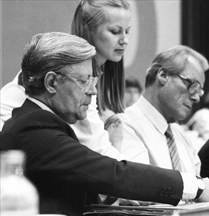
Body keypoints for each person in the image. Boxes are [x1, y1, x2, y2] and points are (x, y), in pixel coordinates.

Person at [0, 32, 209, 216]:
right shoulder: (34, 129)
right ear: (51, 82)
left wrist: (112, 197)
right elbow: (114, 173)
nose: (92, 91)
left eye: (94, 81)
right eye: (85, 81)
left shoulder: (40, 124)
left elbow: (83, 184)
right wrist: (195, 186)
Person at [107, 45, 209, 196]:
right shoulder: (124, 126)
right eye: (192, 85)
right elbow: (135, 193)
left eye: (200, 91)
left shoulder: (181, 135)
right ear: (163, 76)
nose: (196, 97)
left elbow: (193, 195)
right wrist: (206, 188)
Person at [0, 0, 131, 160]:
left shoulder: (90, 76)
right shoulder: (66, 74)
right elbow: (100, 150)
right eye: (115, 31)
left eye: (127, 31)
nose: (125, 40)